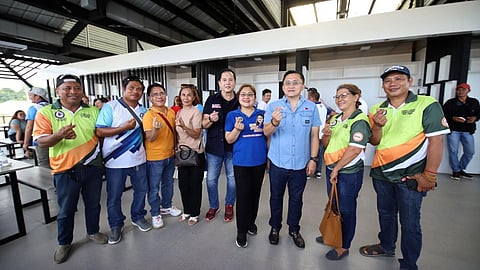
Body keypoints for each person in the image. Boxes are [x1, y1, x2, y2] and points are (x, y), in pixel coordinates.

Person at [360, 65, 450, 270]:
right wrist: (377, 126)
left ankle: (409, 264)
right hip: (381, 174)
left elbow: (436, 142)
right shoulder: (377, 109)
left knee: (410, 223)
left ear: (410, 81)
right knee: (385, 214)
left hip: (411, 176)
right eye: (388, 80)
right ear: (383, 85)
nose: (393, 84)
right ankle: (386, 245)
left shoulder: (427, 104)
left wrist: (430, 175)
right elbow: (374, 141)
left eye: (399, 79)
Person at [33, 74, 107, 264]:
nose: (73, 91)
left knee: (93, 204)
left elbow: (101, 133)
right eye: (67, 88)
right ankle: (64, 242)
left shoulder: (93, 111)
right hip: (64, 169)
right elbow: (40, 141)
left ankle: (93, 231)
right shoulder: (47, 112)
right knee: (66, 209)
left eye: (76, 88)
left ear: (82, 90)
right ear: (57, 91)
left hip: (92, 166)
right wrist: (58, 135)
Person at [264, 70, 320, 248]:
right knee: (276, 197)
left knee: (296, 198)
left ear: (302, 86)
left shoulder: (311, 108)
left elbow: (314, 136)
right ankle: (275, 228)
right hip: (278, 162)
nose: (291, 86)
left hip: (300, 163)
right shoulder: (274, 106)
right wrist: (274, 122)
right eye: (287, 83)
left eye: (295, 82)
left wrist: (313, 159)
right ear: (282, 87)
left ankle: (294, 229)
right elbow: (265, 132)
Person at [315, 84, 371, 260]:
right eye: (337, 96)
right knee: (334, 204)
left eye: (344, 95)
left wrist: (337, 169)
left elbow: (355, 149)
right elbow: (326, 145)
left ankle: (343, 245)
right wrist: (325, 135)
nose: (340, 99)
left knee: (347, 209)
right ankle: (333, 234)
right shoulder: (335, 118)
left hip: (348, 173)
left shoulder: (360, 121)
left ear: (356, 97)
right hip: (332, 169)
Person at [96, 75, 151, 245]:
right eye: (131, 88)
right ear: (123, 89)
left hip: (139, 159)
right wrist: (123, 128)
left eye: (139, 89)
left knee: (141, 191)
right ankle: (116, 225)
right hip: (115, 161)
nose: (135, 91)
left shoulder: (144, 110)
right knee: (114, 196)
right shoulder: (110, 107)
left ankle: (138, 216)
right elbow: (100, 131)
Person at [225, 84, 268, 248]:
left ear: (254, 97)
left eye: (250, 94)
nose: (246, 97)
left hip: (260, 162)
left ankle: (251, 222)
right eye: (243, 94)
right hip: (241, 162)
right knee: (242, 196)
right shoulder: (232, 115)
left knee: (255, 194)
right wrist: (236, 129)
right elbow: (229, 139)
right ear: (238, 97)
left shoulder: (262, 115)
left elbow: (268, 136)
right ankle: (241, 230)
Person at [142, 83, 182, 230]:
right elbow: (150, 138)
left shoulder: (171, 112)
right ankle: (155, 213)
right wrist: (155, 129)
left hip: (170, 155)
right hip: (154, 158)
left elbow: (174, 132)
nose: (159, 96)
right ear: (149, 98)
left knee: (168, 183)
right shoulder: (149, 115)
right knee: (153, 187)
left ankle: (166, 206)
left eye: (161, 93)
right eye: (155, 94)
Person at [202, 68, 239, 222]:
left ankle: (229, 205)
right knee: (211, 179)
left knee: (233, 179)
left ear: (235, 82)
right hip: (214, 148)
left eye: (230, 79)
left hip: (234, 147)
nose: (227, 83)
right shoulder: (212, 100)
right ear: (219, 83)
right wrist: (211, 119)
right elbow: (203, 124)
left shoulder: (240, 101)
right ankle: (214, 205)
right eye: (224, 80)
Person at [175, 84, 205, 226]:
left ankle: (195, 213)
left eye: (189, 95)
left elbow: (197, 133)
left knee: (194, 184)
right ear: (179, 97)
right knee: (183, 184)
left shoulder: (196, 112)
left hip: (195, 154)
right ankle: (186, 210)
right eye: (183, 95)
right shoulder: (179, 112)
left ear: (193, 97)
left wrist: (185, 127)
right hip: (182, 153)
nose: (186, 97)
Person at [442, 83, 480, 180]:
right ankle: (456, 171)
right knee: (453, 151)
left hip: (468, 130)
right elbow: (443, 114)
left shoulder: (474, 102)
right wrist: (452, 118)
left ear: (468, 91)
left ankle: (460, 169)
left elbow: (478, 113)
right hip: (454, 130)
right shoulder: (450, 103)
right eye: (458, 90)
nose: (460, 92)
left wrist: (475, 118)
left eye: (463, 89)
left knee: (470, 152)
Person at [307, 88, 335, 179]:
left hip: (313, 134)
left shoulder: (311, 108)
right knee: (320, 154)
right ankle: (318, 172)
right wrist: (327, 121)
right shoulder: (324, 107)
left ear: (312, 98)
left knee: (310, 153)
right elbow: (333, 113)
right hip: (322, 135)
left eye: (308, 97)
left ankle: (308, 172)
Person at [23, 87, 50, 166]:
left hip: (40, 139)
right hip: (55, 137)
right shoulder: (51, 107)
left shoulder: (34, 108)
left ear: (37, 96)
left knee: (44, 162)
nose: (29, 97)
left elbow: (29, 127)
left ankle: (47, 178)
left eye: (31, 95)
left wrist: (25, 143)